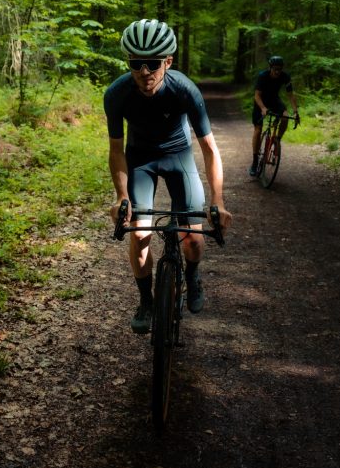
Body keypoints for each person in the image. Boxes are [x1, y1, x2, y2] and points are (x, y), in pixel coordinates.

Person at [104, 19, 233, 334]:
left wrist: (218, 201)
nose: (144, 71)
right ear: (128, 62)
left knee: (193, 238)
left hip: (178, 156)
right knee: (137, 233)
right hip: (140, 159)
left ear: (168, 62)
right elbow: (116, 151)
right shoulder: (117, 94)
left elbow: (210, 150)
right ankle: (146, 301)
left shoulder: (184, 90)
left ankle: (192, 276)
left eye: (153, 63)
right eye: (136, 63)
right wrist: (121, 197)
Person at [249, 55, 300, 176]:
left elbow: (290, 95)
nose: (277, 71)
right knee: (258, 129)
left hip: (274, 100)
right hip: (261, 101)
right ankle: (255, 161)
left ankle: (277, 140)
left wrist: (296, 111)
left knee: (285, 116)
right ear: (270, 68)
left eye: (279, 69)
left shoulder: (285, 77)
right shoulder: (263, 76)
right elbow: (257, 95)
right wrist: (262, 108)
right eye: (275, 69)